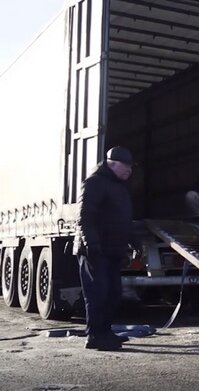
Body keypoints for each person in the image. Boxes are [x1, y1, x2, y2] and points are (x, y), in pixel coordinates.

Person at [72, 146, 137, 351]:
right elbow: (85, 217)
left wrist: (137, 243)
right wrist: (92, 244)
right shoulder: (94, 183)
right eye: (126, 166)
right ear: (113, 164)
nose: (130, 171)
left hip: (113, 251)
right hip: (96, 251)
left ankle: (106, 332)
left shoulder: (120, 187)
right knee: (97, 294)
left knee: (113, 293)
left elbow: (125, 220)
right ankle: (94, 336)